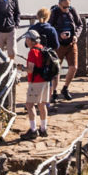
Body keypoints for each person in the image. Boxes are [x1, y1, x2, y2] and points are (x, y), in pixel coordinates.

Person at [18, 10, 59, 138]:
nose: (26, 41)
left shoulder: (32, 52)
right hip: (46, 81)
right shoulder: (42, 49)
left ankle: (33, 130)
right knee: (42, 105)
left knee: (29, 105)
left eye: (27, 39)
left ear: (31, 40)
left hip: (35, 81)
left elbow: (30, 69)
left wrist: (21, 68)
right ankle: (43, 129)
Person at [50, 0, 84, 100]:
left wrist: (75, 35)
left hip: (71, 43)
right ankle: (54, 92)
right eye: (64, 7)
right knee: (56, 69)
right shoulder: (54, 12)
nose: (66, 9)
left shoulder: (72, 11)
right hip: (58, 45)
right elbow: (49, 27)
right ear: (59, 5)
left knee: (74, 67)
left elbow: (80, 24)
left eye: (68, 7)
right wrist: (59, 34)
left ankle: (65, 88)